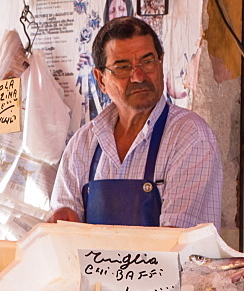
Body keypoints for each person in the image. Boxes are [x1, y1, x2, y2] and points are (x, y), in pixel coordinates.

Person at [50, 17, 223, 228]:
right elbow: (64, 229)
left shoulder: (189, 135)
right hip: (92, 262)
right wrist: (65, 222)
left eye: (148, 62)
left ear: (161, 61)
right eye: (123, 67)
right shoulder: (83, 143)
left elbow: (177, 240)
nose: (139, 76)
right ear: (101, 79)